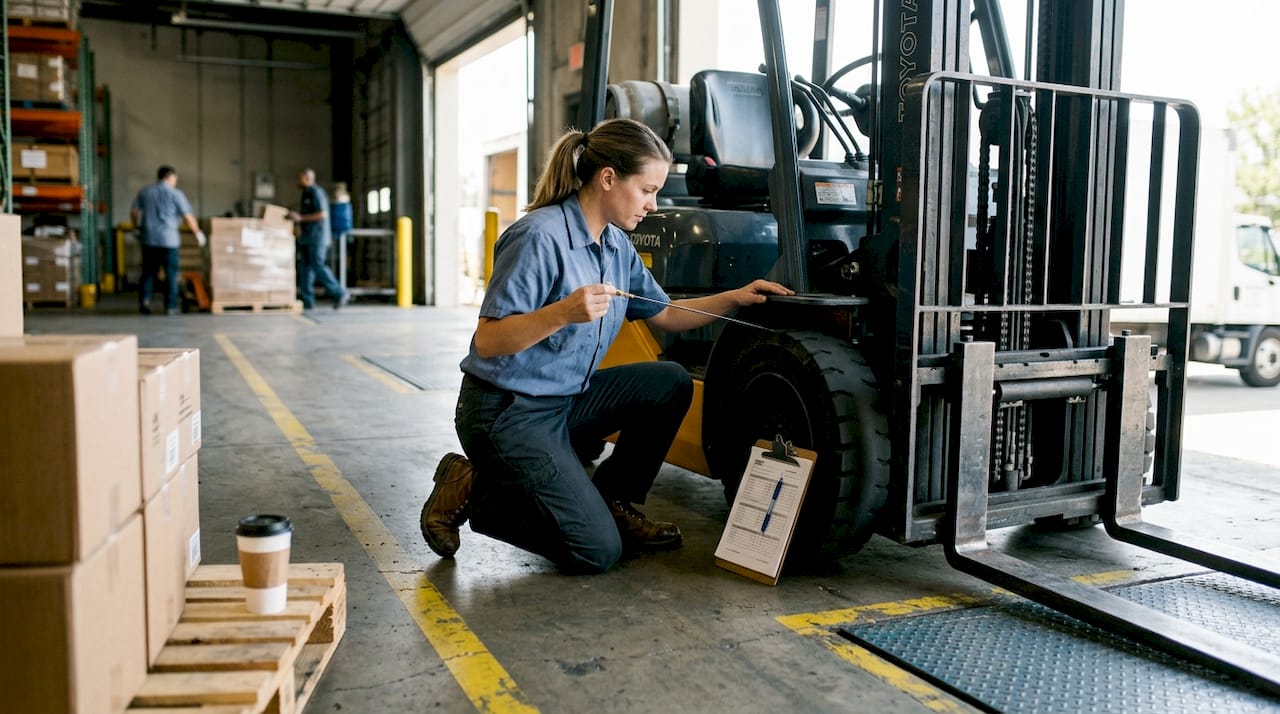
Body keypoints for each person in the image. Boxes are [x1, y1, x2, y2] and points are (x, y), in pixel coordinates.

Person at [420, 118, 794, 574]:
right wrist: (563, 312)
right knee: (597, 551)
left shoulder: (616, 245)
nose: (653, 205)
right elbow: (490, 339)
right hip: (505, 409)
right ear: (609, 178)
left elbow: (667, 314)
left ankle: (613, 501)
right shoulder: (538, 237)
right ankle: (474, 486)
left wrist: (737, 296)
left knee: (669, 382)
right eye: (647, 190)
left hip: (564, 401)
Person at [131, 165, 204, 315]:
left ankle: (145, 301)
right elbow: (187, 216)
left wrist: (137, 227)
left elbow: (134, 211)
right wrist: (197, 232)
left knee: (149, 272)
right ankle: (170, 306)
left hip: (149, 239)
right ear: (170, 177)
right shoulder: (176, 194)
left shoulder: (145, 192)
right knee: (171, 274)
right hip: (169, 241)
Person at [288, 169, 349, 310]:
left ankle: (339, 293)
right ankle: (308, 302)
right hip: (307, 238)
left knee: (318, 265)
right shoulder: (306, 193)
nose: (297, 182)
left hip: (318, 238)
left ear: (307, 178)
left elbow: (323, 214)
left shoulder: (316, 192)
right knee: (305, 269)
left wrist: (301, 218)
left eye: (300, 179)